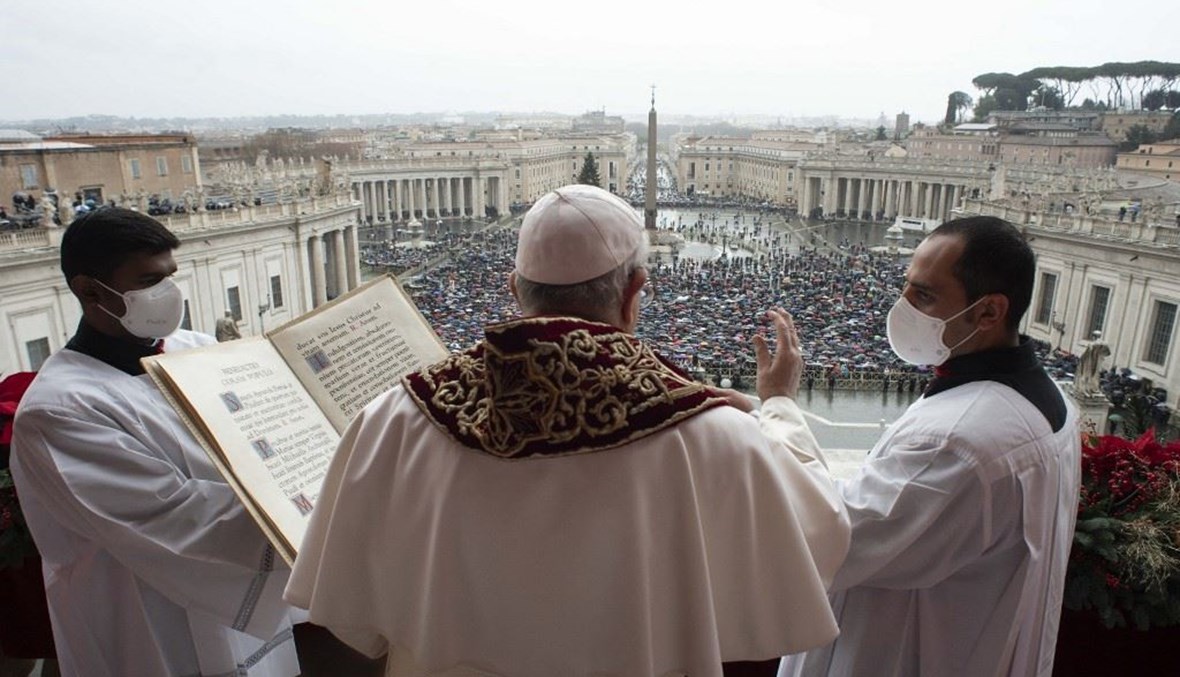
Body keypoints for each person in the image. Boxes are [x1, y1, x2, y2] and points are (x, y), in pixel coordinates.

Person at [286, 184, 850, 677]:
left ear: (515, 288)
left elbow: (347, 615)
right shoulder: (714, 436)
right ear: (634, 294)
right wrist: (777, 406)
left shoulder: (395, 418)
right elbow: (819, 533)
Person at [781, 216, 1082, 677]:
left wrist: (779, 409)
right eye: (906, 286)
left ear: (988, 312)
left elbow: (828, 538)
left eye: (924, 295)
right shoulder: (1053, 403)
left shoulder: (955, 443)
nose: (902, 306)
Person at [10, 207, 301, 677]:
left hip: (242, 593)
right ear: (89, 290)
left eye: (171, 276)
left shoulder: (196, 349)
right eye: (148, 280)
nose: (167, 293)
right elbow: (178, 517)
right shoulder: (59, 409)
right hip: (143, 615)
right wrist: (319, 507)